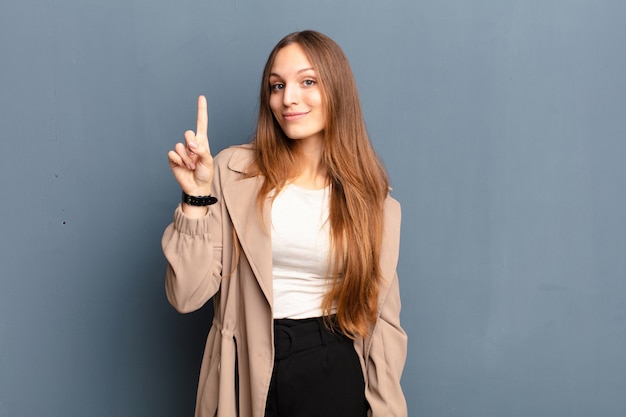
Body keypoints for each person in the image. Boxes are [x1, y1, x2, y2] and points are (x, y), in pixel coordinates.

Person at [162, 30, 407, 417]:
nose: (287, 98)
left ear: (337, 90)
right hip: (247, 368)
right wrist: (196, 198)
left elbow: (383, 328)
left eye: (307, 81)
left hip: (333, 368)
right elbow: (186, 294)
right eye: (277, 85)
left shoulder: (373, 201)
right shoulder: (232, 171)